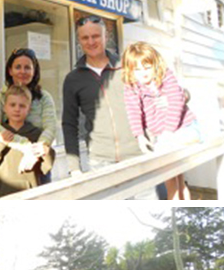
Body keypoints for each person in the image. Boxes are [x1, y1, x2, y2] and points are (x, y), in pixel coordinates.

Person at [62, 16, 156, 198]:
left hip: (138, 155)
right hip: (99, 161)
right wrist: (74, 168)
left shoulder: (127, 67)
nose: (91, 42)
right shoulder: (73, 79)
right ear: (79, 40)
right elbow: (69, 124)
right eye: (85, 38)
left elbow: (150, 99)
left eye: (96, 36)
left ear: (106, 36)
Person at [122, 42, 200, 200]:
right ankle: (176, 207)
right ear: (130, 70)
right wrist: (140, 136)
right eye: (137, 69)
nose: (143, 73)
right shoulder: (131, 86)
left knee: (174, 173)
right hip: (161, 137)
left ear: (155, 64)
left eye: (147, 67)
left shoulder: (166, 76)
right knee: (172, 180)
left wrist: (168, 132)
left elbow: (176, 102)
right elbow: (133, 110)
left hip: (183, 129)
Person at [0, 49, 57, 181]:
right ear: (10, 70)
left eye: (27, 68)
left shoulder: (44, 97)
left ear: (34, 71)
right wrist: (25, 146)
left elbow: (50, 128)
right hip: (8, 166)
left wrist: (36, 151)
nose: (22, 71)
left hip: (38, 166)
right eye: (18, 67)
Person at [0, 85, 54, 197]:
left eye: (22, 106)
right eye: (12, 105)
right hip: (3, 195)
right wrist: (0, 142)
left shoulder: (36, 134)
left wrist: (46, 151)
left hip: (32, 195)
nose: (17, 109)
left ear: (29, 109)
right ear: (4, 108)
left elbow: (46, 168)